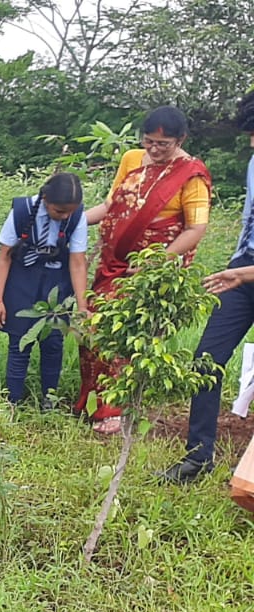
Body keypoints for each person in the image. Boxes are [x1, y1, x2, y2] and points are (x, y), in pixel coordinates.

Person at [79, 106, 212, 434]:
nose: (154, 149)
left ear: (180, 140)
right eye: (149, 141)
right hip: (114, 264)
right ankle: (92, 402)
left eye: (163, 144)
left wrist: (155, 263)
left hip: (153, 272)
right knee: (92, 328)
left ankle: (117, 410)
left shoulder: (191, 173)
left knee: (129, 336)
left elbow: (195, 229)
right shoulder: (131, 160)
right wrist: (71, 221)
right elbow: (113, 206)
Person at [159, 92, 254, 484]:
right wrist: (238, 267)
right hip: (243, 275)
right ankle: (198, 458)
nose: (251, 142)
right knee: (205, 363)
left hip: (246, 275)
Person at [0, 172, 89, 409]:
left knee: (53, 342)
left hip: (57, 283)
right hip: (21, 280)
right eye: (59, 212)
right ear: (45, 199)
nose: (65, 216)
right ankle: (12, 401)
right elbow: (4, 258)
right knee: (19, 342)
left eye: (70, 212)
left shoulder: (76, 217)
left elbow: (78, 262)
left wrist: (82, 307)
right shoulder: (22, 211)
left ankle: (49, 401)